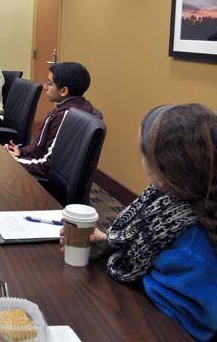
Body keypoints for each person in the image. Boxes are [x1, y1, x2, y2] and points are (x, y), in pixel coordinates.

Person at [60, 104, 217, 341]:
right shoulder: (164, 202)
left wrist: (122, 266)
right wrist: (109, 246)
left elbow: (183, 324)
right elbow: (143, 250)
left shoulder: (192, 246)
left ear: (162, 168)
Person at [5, 62, 97, 179]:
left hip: (43, 180)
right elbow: (39, 147)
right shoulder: (75, 108)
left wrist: (14, 160)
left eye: (49, 83)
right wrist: (21, 152)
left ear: (63, 91)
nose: (45, 87)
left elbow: (48, 165)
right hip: (38, 165)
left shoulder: (66, 117)